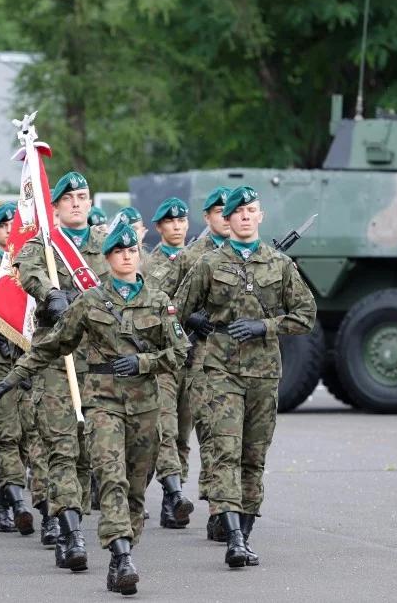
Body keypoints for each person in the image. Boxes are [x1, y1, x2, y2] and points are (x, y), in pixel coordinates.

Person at [0, 220, 187, 595]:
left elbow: (180, 352)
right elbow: (54, 345)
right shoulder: (91, 301)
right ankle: (121, 554)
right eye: (119, 253)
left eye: (132, 252)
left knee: (135, 485)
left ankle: (124, 545)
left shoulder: (160, 302)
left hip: (145, 405)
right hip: (103, 403)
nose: (127, 257)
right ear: (108, 259)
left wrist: (144, 363)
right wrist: (13, 378)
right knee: (110, 476)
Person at [172, 185, 316, 568]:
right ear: (228, 220)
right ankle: (232, 536)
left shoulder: (280, 265)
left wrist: (265, 327)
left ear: (261, 216)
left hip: (265, 375)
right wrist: (191, 325)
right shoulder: (208, 264)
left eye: (253, 210)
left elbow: (306, 316)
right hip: (220, 371)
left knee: (254, 456)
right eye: (239, 212)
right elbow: (174, 310)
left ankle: (245, 533)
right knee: (224, 452)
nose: (246, 216)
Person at [13, 171, 109, 572]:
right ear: (54, 206)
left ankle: (72, 515)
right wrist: (50, 294)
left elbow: (135, 284)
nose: (76, 203)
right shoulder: (44, 246)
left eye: (83, 197)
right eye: (68, 198)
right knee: (62, 450)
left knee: (88, 452)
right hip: (58, 361)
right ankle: (71, 534)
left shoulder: (111, 245)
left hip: (101, 361)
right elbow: (28, 273)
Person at [156, 186, 231, 539]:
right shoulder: (191, 256)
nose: (227, 218)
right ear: (209, 217)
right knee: (169, 430)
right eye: (219, 211)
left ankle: (219, 509)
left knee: (215, 435)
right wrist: (188, 320)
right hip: (179, 357)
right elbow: (163, 303)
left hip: (218, 361)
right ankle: (172, 495)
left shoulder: (247, 256)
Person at [0, 202, 43, 536]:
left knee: (30, 438)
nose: (7, 232)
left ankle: (7, 503)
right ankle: (17, 503)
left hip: (33, 365)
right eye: (2, 227)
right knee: (7, 437)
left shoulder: (41, 267)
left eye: (11, 226)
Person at [143, 197, 195, 528]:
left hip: (191, 357)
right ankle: (172, 490)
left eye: (182, 221)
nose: (177, 226)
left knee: (183, 434)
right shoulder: (147, 264)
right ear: (159, 227)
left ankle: (171, 500)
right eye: (170, 222)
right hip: (163, 358)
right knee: (164, 429)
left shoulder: (199, 260)